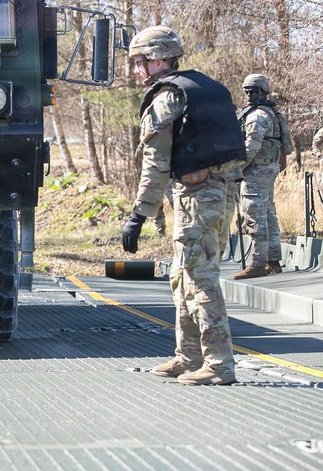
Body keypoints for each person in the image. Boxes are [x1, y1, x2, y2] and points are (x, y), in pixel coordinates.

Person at [121, 26, 244, 386]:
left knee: (200, 276)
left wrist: (139, 214)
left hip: (195, 195)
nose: (136, 70)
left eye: (139, 62)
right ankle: (188, 356)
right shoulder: (205, 87)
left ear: (158, 60)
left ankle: (219, 364)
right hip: (221, 191)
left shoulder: (166, 98)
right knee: (183, 274)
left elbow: (155, 163)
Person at [233, 74, 291, 279]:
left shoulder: (257, 116)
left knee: (254, 215)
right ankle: (273, 261)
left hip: (257, 170)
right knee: (267, 214)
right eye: (247, 91)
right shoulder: (270, 113)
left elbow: (251, 147)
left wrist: (236, 169)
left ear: (263, 92)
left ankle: (257, 264)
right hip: (267, 169)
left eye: (254, 91)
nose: (249, 95)